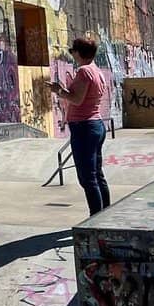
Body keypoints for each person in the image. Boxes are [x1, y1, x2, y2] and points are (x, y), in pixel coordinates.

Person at [48, 37, 111, 215]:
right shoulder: (97, 71)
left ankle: (96, 218)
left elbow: (76, 99)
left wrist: (59, 91)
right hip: (95, 124)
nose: (72, 54)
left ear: (78, 52)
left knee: (87, 178)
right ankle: (106, 213)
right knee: (97, 174)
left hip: (84, 127)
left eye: (73, 51)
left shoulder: (84, 71)